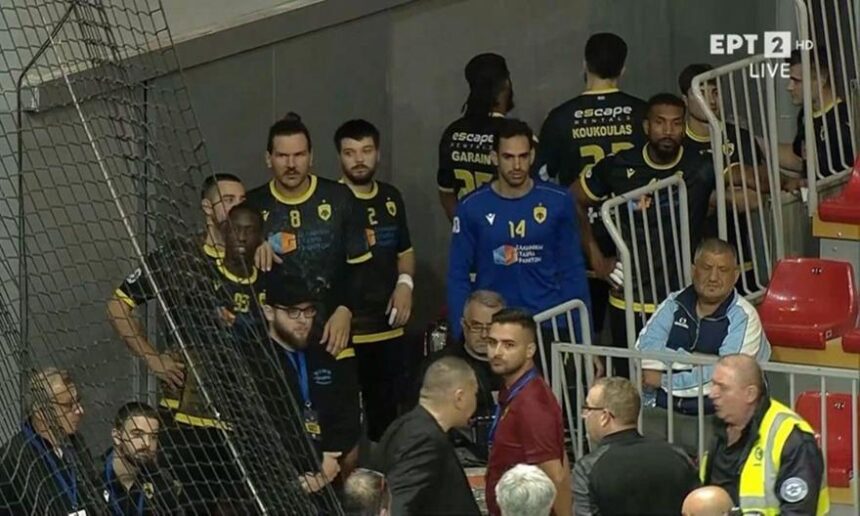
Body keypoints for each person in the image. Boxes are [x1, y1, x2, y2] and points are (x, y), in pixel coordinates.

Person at [572, 93, 715, 376]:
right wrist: (596, 258)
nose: (668, 131)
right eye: (660, 122)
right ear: (646, 126)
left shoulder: (701, 167)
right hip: (629, 299)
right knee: (631, 383)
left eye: (676, 123)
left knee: (679, 382)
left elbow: (742, 184)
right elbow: (573, 199)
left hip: (682, 297)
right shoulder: (619, 165)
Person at [535, 32, 647, 340]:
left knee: (583, 332)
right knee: (638, 333)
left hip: (578, 240)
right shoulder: (643, 114)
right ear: (623, 68)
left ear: (584, 65)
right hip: (635, 238)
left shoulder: (560, 118)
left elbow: (542, 182)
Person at [107, 173, 246, 411]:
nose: (237, 209)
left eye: (242, 201)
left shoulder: (256, 258)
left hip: (245, 402)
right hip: (187, 403)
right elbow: (117, 306)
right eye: (228, 200)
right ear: (207, 207)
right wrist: (153, 359)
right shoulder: (179, 256)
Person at [447, 118, 590, 347]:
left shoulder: (558, 201)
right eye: (508, 157)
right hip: (495, 327)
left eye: (523, 156)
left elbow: (572, 271)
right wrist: (460, 335)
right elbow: (457, 275)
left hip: (550, 324)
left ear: (532, 156)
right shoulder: (471, 207)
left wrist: (584, 340)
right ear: (494, 157)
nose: (516, 166)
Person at [247, 112, 371, 358]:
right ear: (268, 159)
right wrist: (251, 248)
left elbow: (361, 267)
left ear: (311, 157)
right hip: (271, 345)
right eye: (282, 156)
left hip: (332, 335)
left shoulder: (340, 199)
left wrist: (345, 310)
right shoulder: (252, 206)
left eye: (299, 155)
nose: (291, 164)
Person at [335, 119, 415, 441]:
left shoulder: (391, 197)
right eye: (350, 152)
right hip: (345, 334)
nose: (359, 159)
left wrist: (405, 284)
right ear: (339, 156)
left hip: (388, 329)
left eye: (366, 150)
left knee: (387, 421)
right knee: (343, 423)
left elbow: (405, 251)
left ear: (378, 154)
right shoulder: (329, 201)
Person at [253, 273, 362, 495]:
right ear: (269, 312)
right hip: (275, 480)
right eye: (293, 312)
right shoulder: (255, 360)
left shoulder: (324, 353)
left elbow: (347, 413)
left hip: (329, 472)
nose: (303, 320)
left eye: (308, 311)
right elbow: (260, 425)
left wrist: (330, 458)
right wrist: (314, 465)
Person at [637, 238, 771, 416]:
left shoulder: (745, 317)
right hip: (665, 408)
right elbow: (643, 352)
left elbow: (726, 377)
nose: (713, 277)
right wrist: (696, 361)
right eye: (707, 268)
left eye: (723, 270)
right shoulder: (674, 303)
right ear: (694, 271)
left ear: (736, 275)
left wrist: (664, 380)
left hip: (723, 416)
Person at [701, 354, 829, 514]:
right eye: (713, 384)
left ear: (750, 394)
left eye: (723, 387)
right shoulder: (720, 429)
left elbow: (798, 511)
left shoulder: (792, 438)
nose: (712, 393)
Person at [484, 309, 570, 516]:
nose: (497, 352)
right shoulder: (515, 390)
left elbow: (556, 476)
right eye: (492, 342)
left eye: (509, 345)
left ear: (530, 350)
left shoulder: (532, 403)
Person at [574, 377, 699, 516]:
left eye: (588, 409)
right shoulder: (678, 456)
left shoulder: (588, 468)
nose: (585, 416)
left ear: (605, 416)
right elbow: (697, 508)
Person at [374, 356, 481, 515]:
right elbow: (397, 505)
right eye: (475, 394)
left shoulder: (403, 425)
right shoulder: (424, 439)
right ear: (460, 398)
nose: (476, 401)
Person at [418, 290, 505, 463]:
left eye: (490, 327)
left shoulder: (515, 367)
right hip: (454, 458)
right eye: (476, 326)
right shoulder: (440, 367)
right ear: (464, 325)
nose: (484, 335)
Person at [0, 368, 101, 514]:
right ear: (41, 412)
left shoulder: (78, 443)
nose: (80, 410)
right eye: (68, 405)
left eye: (78, 401)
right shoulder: (12, 458)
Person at [438, 53, 516, 221]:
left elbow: (446, 194)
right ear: (506, 84)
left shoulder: (451, 133)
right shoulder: (516, 137)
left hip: (469, 233)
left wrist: (464, 229)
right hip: (509, 232)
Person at [780, 48, 855, 179]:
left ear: (822, 79)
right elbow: (799, 159)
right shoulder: (804, 116)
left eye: (796, 81)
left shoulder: (846, 118)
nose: (789, 87)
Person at [102, 402, 186, 514]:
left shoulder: (163, 484)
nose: (147, 443)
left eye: (153, 437)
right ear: (117, 437)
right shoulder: (94, 476)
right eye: (137, 434)